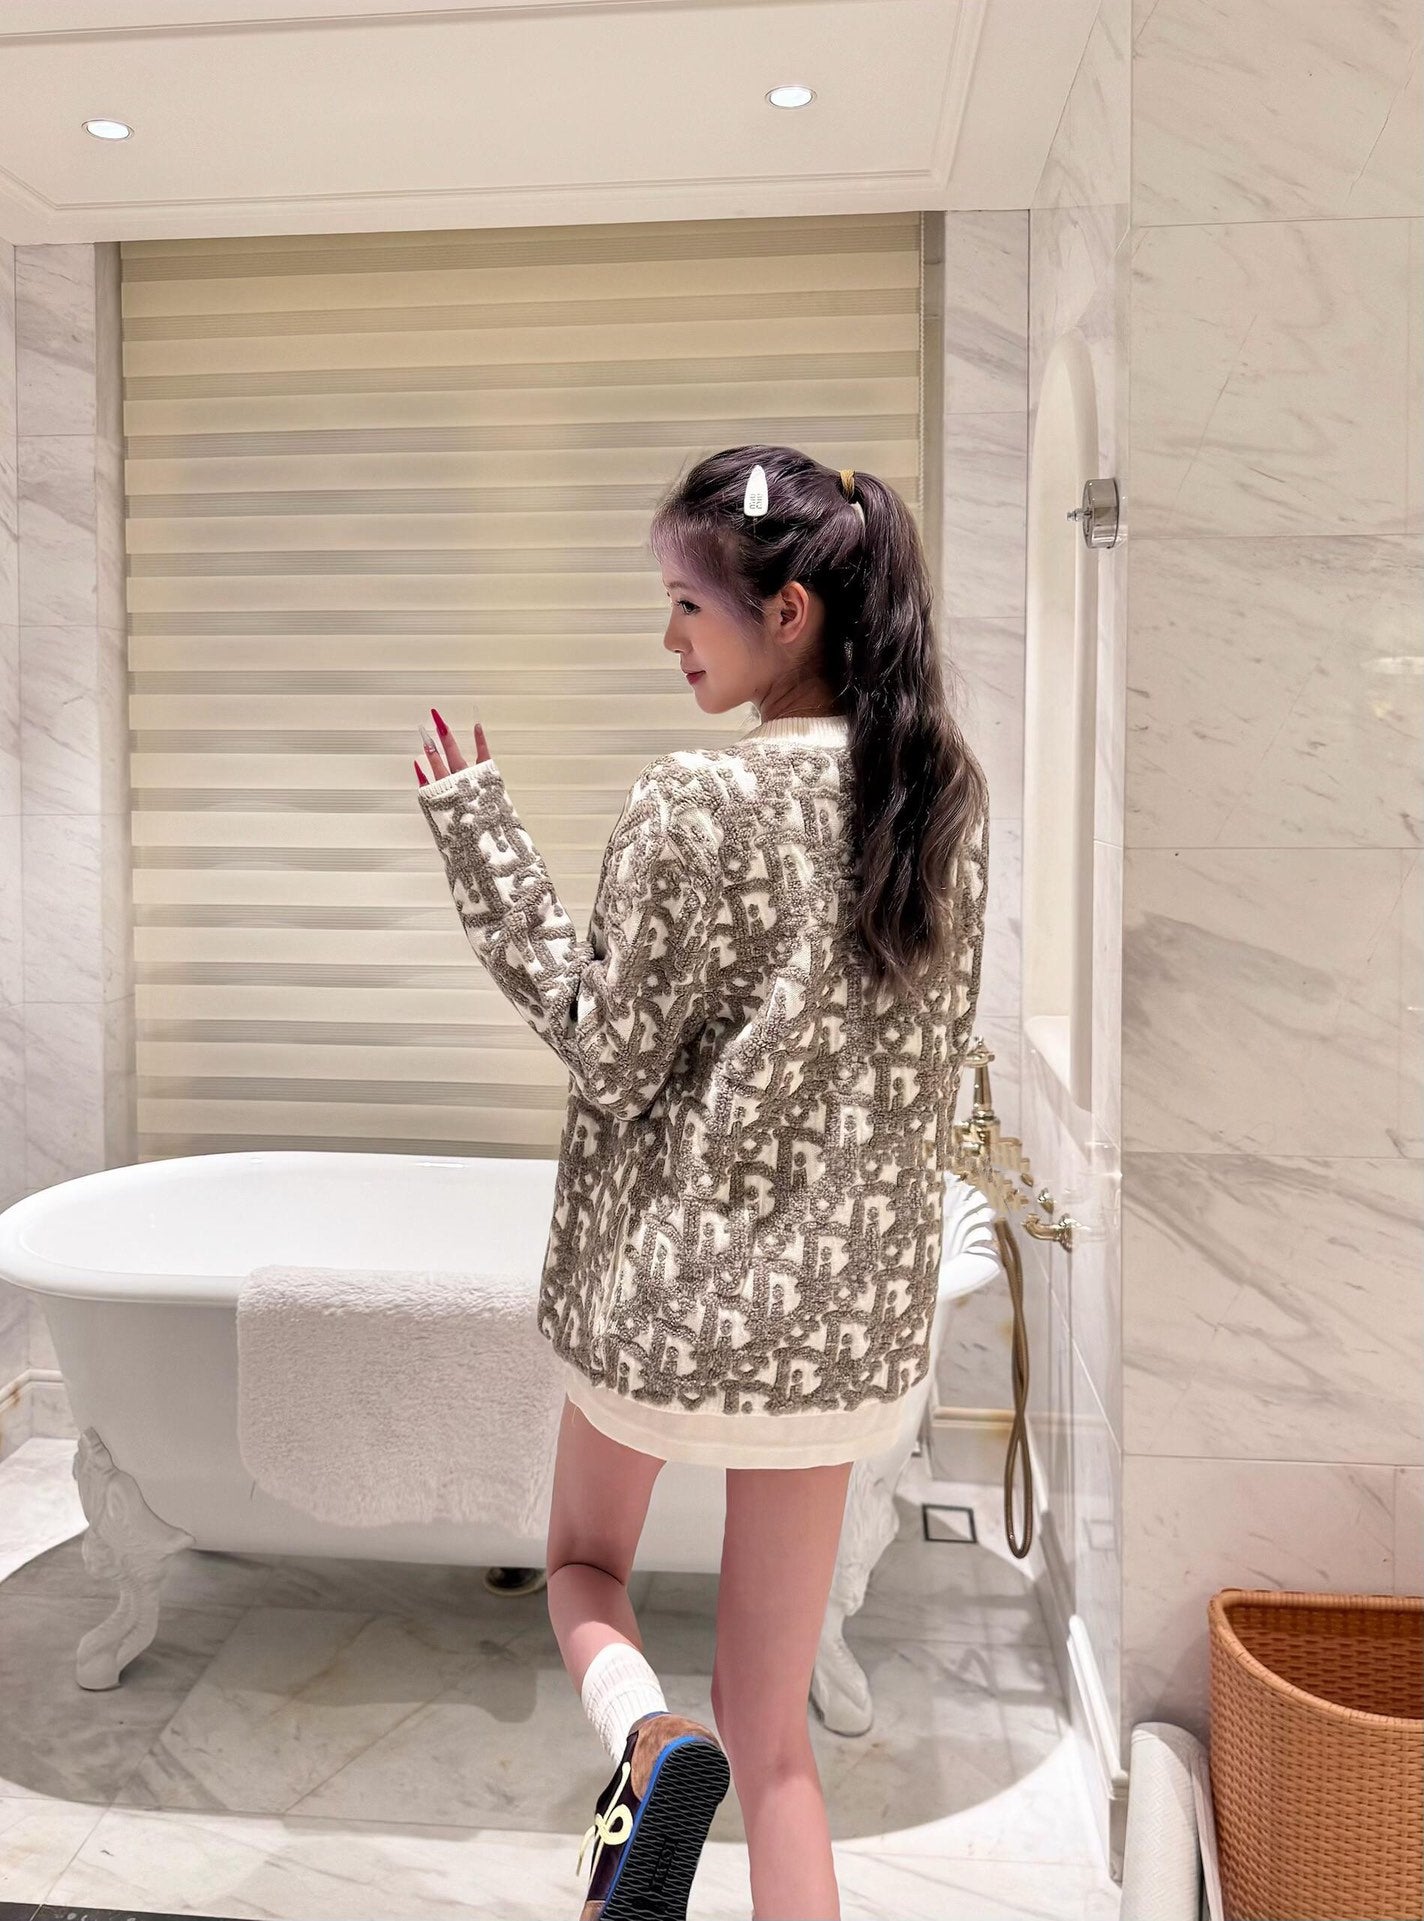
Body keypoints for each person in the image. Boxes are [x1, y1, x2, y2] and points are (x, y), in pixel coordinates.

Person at [411, 444, 990, 1921]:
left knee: (581, 1566)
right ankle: (717, 1772)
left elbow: (608, 1053)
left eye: (686, 602)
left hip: (675, 1310)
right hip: (839, 1331)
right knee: (777, 1740)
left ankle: (646, 1742)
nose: (668, 635)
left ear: (788, 613)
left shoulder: (696, 798)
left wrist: (481, 841)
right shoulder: (936, 798)